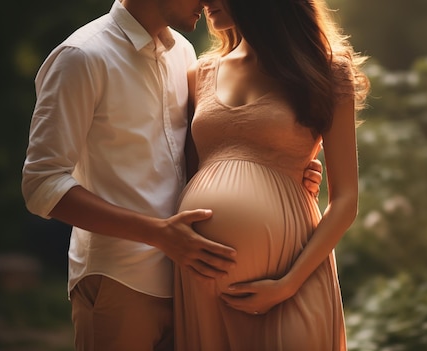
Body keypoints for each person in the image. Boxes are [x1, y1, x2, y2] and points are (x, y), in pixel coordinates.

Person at [20, 0, 322, 350]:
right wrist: (159, 235)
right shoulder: (82, 57)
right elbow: (42, 184)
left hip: (193, 286)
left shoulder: (184, 53)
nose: (209, 1)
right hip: (122, 283)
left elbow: (199, 155)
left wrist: (278, 168)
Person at [173, 0, 370, 350]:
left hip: (295, 276)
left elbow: (346, 200)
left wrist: (288, 284)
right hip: (205, 285)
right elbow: (189, 175)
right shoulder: (197, 75)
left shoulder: (325, 71)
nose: (206, 1)